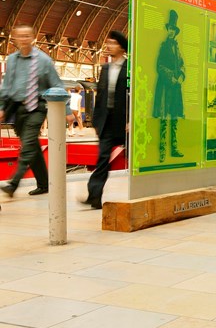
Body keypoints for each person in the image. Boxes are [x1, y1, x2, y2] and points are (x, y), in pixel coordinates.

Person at [0, 24, 73, 198]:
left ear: (33, 38)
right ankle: (43, 183)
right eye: (20, 36)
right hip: (18, 108)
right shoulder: (11, 60)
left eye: (27, 36)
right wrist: (1, 107)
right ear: (15, 39)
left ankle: (14, 183)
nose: (24, 39)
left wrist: (67, 110)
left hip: (37, 107)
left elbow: (57, 85)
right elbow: (6, 86)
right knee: (31, 145)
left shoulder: (44, 60)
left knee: (29, 142)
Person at [81, 31, 128, 209]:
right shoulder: (105, 68)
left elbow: (135, 95)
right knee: (102, 158)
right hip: (107, 122)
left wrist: (131, 120)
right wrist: (95, 120)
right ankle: (94, 196)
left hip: (124, 123)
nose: (108, 46)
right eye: (108, 42)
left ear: (122, 47)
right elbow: (100, 96)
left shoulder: (130, 68)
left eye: (113, 43)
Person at [153, 9, 185, 163]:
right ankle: (162, 151)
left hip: (175, 88)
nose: (171, 31)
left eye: (173, 29)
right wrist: (172, 77)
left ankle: (174, 148)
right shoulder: (164, 46)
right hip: (166, 87)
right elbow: (159, 66)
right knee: (164, 119)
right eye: (170, 28)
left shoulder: (177, 47)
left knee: (174, 119)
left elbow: (182, 64)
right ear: (168, 30)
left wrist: (181, 75)